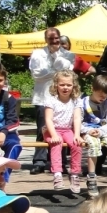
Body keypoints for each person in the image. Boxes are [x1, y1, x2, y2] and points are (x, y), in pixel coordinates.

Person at [28, 28, 75, 175]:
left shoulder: (69, 55)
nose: (54, 41)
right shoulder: (37, 53)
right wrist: (57, 73)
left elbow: (69, 72)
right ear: (45, 39)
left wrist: (55, 56)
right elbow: (36, 74)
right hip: (42, 98)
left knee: (62, 129)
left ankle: (60, 162)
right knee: (42, 130)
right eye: (50, 38)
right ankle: (39, 161)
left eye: (56, 38)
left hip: (62, 100)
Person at [80, 74, 107, 198]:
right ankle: (91, 178)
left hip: (102, 130)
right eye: (100, 94)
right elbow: (77, 122)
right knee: (93, 145)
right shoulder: (82, 103)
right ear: (93, 89)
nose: (103, 97)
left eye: (106, 95)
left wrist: (101, 131)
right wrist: (88, 130)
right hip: (88, 130)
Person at [43, 70, 84, 193]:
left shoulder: (76, 100)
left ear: (73, 86)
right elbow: (48, 119)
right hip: (52, 130)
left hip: (67, 130)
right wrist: (53, 135)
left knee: (76, 144)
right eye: (62, 85)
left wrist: (77, 135)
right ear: (56, 85)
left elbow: (77, 118)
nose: (65, 88)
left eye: (68, 85)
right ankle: (57, 174)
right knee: (57, 143)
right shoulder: (51, 100)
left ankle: (75, 174)